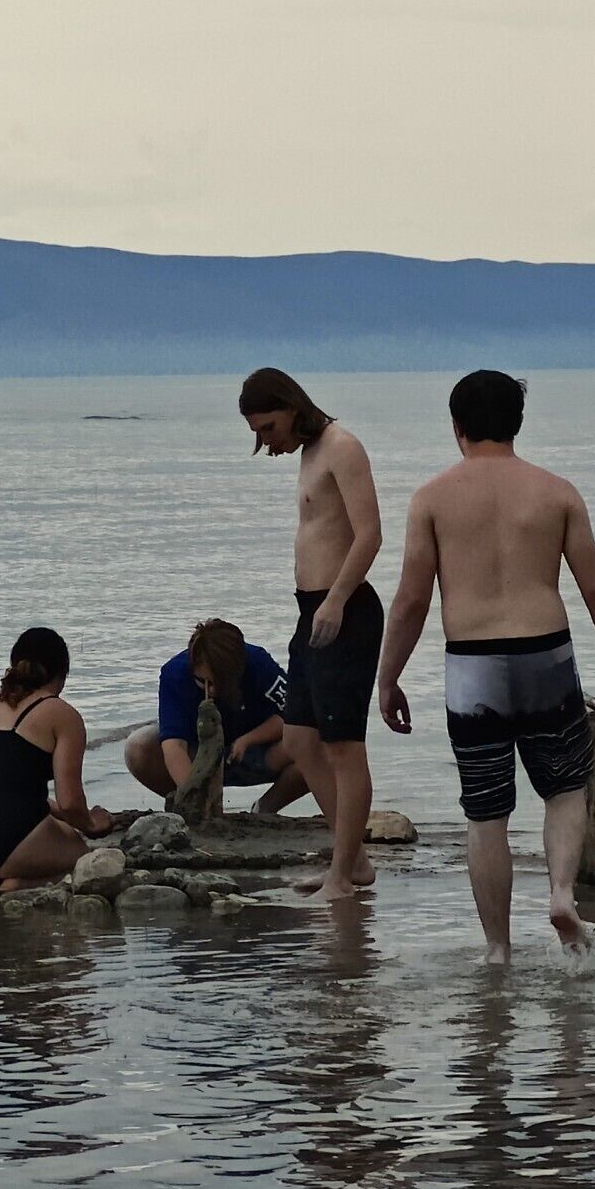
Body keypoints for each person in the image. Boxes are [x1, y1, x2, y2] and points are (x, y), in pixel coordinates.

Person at [376, 370, 595, 964]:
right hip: (544, 654)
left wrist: (388, 676)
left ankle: (497, 950)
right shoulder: (556, 493)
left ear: (457, 427)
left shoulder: (431, 499)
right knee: (564, 789)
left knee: (486, 812)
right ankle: (561, 893)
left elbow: (412, 599)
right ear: (517, 423)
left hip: (471, 664)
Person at [238, 368, 385, 901]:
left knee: (343, 746)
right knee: (299, 738)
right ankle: (355, 861)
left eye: (269, 428)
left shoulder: (342, 447)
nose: (265, 443)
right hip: (313, 612)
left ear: (292, 408)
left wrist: (337, 600)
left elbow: (370, 535)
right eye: (257, 433)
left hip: (345, 610)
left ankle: (341, 876)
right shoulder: (310, 453)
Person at [0, 628, 114, 891]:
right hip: (9, 840)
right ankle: (18, 884)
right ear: (62, 674)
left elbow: (4, 790)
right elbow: (70, 803)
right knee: (83, 859)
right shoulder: (61, 714)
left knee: (32, 836)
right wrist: (92, 824)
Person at [123, 619, 312, 814]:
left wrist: (248, 739)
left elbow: (293, 717)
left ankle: (265, 808)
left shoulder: (258, 662)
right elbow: (174, 745)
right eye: (204, 682)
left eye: (220, 683)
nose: (212, 690)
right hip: (198, 758)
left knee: (315, 739)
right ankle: (194, 807)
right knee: (138, 746)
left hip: (258, 753)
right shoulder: (175, 674)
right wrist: (193, 795)